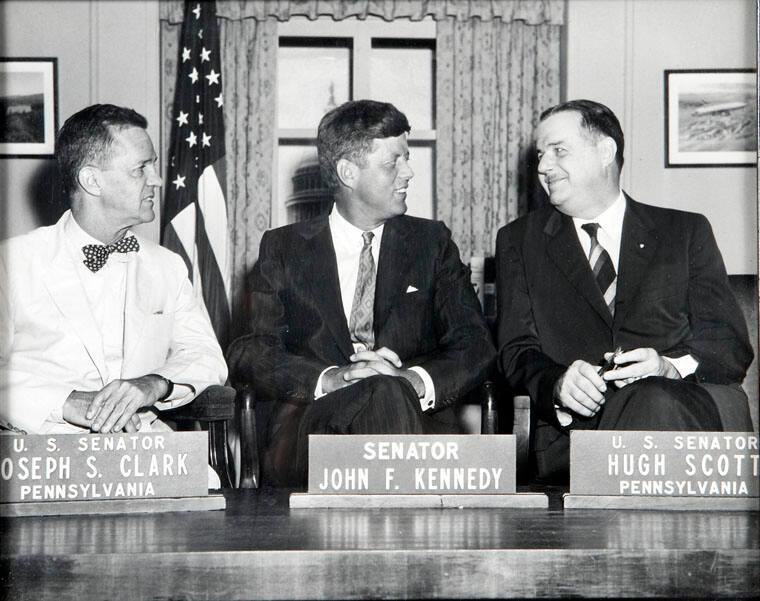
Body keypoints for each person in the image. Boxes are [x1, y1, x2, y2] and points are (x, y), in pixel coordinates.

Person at [229, 99, 495, 486]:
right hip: (313, 431)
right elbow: (250, 352)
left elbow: (475, 344)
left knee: (386, 391)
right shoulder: (283, 248)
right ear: (348, 172)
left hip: (418, 427)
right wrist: (332, 378)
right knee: (380, 390)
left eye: (407, 158)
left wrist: (412, 380)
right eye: (393, 162)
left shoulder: (431, 243)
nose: (409, 172)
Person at [495, 99, 753, 481]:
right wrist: (559, 384)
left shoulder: (684, 232)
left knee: (653, 398)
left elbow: (729, 347)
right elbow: (516, 352)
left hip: (685, 428)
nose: (543, 167)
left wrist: (669, 367)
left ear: (605, 151)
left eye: (558, 151)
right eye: (540, 155)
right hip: (579, 438)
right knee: (647, 404)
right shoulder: (519, 241)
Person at [0, 104, 227, 447]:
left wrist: (155, 383)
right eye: (141, 169)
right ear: (92, 180)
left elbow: (206, 356)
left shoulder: (167, 266)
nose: (158, 179)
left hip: (143, 450)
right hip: (37, 453)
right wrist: (64, 402)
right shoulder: (13, 261)